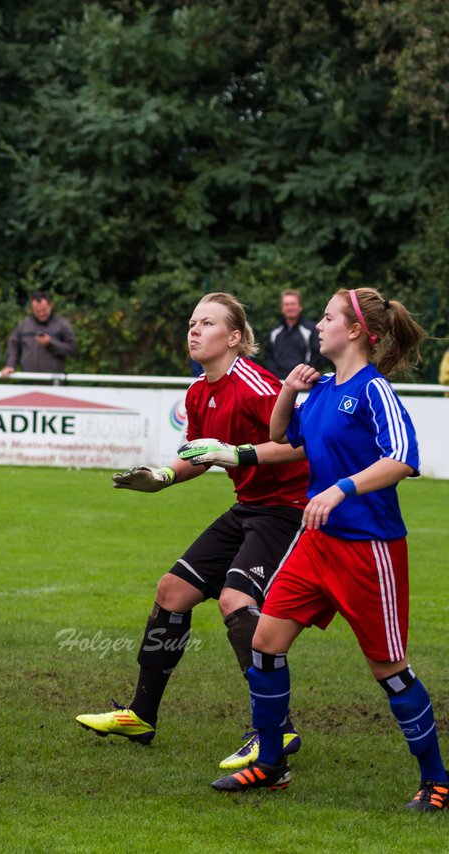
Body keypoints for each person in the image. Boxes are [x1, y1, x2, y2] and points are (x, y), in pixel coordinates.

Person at [210, 287, 449, 811]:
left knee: (389, 669)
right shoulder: (319, 386)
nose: (318, 325)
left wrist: (341, 488)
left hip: (370, 549)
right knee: (265, 645)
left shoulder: (372, 389)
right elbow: (284, 438)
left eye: (327, 317)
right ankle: (270, 765)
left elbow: (404, 458)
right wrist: (289, 392)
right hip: (315, 544)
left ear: (357, 331)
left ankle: (437, 781)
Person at [75, 293, 311, 771]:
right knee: (173, 590)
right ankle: (140, 716)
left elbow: (299, 447)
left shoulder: (257, 385)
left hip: (289, 510)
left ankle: (274, 729)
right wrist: (162, 476)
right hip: (249, 506)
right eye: (192, 322)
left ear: (236, 338)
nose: (195, 330)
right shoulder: (198, 390)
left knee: (235, 600)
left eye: (207, 323)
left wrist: (235, 453)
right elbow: (201, 454)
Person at [0, 290, 77, 377]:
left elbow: (72, 349)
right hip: (28, 379)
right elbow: (13, 344)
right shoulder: (24, 325)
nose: (41, 314)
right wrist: (10, 365)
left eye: (44, 310)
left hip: (53, 381)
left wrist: (51, 343)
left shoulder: (62, 324)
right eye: (37, 311)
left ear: (50, 305)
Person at [262, 289, 324, 379]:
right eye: (286, 304)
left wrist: (305, 375)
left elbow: (318, 356)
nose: (290, 307)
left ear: (300, 307)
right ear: (282, 308)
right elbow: (268, 356)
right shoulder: (275, 331)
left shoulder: (311, 329)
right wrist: (276, 376)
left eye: (293, 304)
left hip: (304, 383)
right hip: (279, 382)